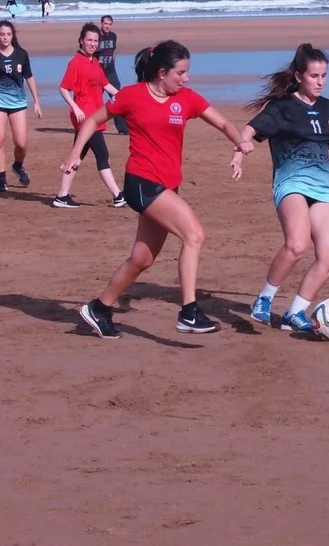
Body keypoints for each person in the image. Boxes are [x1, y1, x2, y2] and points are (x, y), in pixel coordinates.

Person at [65, 40, 255, 338]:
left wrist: (239, 142)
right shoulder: (132, 95)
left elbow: (223, 123)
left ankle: (99, 309)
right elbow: (92, 120)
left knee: (142, 259)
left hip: (168, 187)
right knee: (194, 235)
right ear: (162, 73)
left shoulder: (186, 99)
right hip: (142, 182)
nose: (186, 78)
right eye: (181, 72)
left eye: (187, 72)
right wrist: (75, 154)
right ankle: (189, 312)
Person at [231, 43, 329, 333]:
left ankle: (295, 313)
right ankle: (263, 300)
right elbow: (249, 130)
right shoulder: (282, 107)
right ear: (299, 76)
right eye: (314, 76)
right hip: (291, 184)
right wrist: (239, 152)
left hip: (323, 188)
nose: (320, 81)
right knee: (297, 244)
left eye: (324, 75)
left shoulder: (328, 108)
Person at [52, 23, 125, 208]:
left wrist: (124, 98)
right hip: (85, 117)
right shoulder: (76, 62)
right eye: (89, 40)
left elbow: (106, 85)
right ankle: (118, 196)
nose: (92, 43)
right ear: (81, 41)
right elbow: (63, 88)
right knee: (102, 154)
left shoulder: (94, 62)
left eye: (95, 41)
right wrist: (76, 108)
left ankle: (62, 196)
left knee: (78, 155)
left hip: (96, 115)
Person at [0, 21, 43, 193]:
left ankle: (17, 165)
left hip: (18, 103)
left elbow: (29, 78)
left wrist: (36, 102)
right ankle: (1, 179)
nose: (5, 37)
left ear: (12, 35)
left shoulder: (21, 54)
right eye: (2, 34)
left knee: (21, 144)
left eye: (8, 34)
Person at [96, 15, 129, 135]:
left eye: (110, 24)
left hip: (110, 72)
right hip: (97, 73)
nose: (107, 26)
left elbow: (113, 53)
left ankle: (123, 129)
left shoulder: (113, 36)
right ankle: (92, 125)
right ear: (101, 24)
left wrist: (113, 67)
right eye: (105, 24)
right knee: (95, 100)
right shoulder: (96, 37)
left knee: (117, 98)